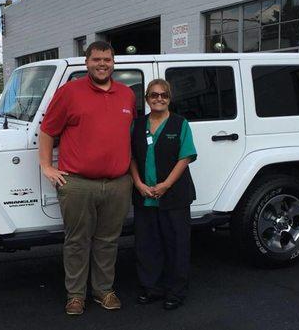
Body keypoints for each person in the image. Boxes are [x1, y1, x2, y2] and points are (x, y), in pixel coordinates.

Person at [39, 41, 136, 316]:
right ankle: (76, 295)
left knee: (108, 241)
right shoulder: (69, 92)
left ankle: (104, 291)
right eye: (96, 59)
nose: (102, 64)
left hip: (118, 183)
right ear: (87, 62)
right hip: (78, 184)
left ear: (114, 62)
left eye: (107, 59)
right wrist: (47, 166)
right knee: (76, 241)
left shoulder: (127, 95)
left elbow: (126, 133)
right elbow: (48, 131)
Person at [130, 79, 197, 310]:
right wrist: (138, 183)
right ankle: (152, 288)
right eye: (154, 95)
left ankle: (175, 292)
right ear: (147, 99)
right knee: (147, 245)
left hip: (174, 195)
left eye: (164, 95)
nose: (159, 99)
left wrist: (166, 185)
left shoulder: (180, 124)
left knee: (176, 245)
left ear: (169, 98)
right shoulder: (137, 125)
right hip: (144, 194)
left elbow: (185, 157)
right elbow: (131, 158)